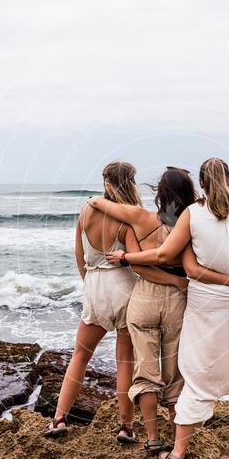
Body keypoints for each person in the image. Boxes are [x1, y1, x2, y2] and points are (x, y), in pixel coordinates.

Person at [106, 158, 229, 459]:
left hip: (206, 310)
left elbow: (174, 260)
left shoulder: (192, 214)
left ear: (201, 184)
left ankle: (177, 454)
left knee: (198, 378)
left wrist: (125, 256)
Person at [43, 160, 143, 442]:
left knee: (80, 356)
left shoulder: (86, 211)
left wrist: (89, 283)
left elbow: (79, 254)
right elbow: (136, 264)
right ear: (131, 182)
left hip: (95, 285)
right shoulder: (128, 218)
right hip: (124, 287)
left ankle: (60, 419)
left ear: (106, 181)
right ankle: (126, 426)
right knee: (125, 361)